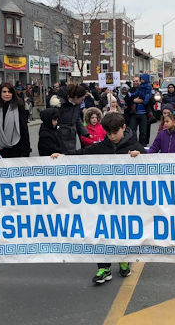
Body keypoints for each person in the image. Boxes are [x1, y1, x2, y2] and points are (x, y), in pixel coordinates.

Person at [51, 112, 144, 284]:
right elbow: (83, 153)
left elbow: (153, 165)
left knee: (122, 231)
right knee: (101, 231)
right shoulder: (103, 146)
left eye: (115, 132)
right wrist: (64, 157)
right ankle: (104, 267)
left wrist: (139, 156)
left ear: (124, 128)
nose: (111, 136)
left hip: (125, 200)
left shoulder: (135, 146)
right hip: (103, 199)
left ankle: (124, 260)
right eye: (108, 133)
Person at [0, 82, 31, 158]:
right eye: (4, 92)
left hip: (14, 148)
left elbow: (24, 129)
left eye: (9, 92)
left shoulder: (18, 106)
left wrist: (25, 151)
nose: (7, 94)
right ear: (0, 93)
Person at [50, 84, 90, 153]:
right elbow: (53, 120)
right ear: (76, 97)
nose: (82, 101)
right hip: (61, 135)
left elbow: (77, 119)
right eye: (82, 99)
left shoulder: (77, 104)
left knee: (71, 155)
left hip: (71, 134)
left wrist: (85, 133)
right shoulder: (59, 105)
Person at [127, 74, 152, 146]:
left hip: (144, 113)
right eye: (134, 81)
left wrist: (144, 100)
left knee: (143, 131)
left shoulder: (148, 88)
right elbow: (127, 99)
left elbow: (152, 101)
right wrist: (134, 100)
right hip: (134, 114)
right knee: (132, 130)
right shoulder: (131, 90)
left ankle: (142, 145)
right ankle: (133, 144)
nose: (135, 82)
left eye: (137, 81)